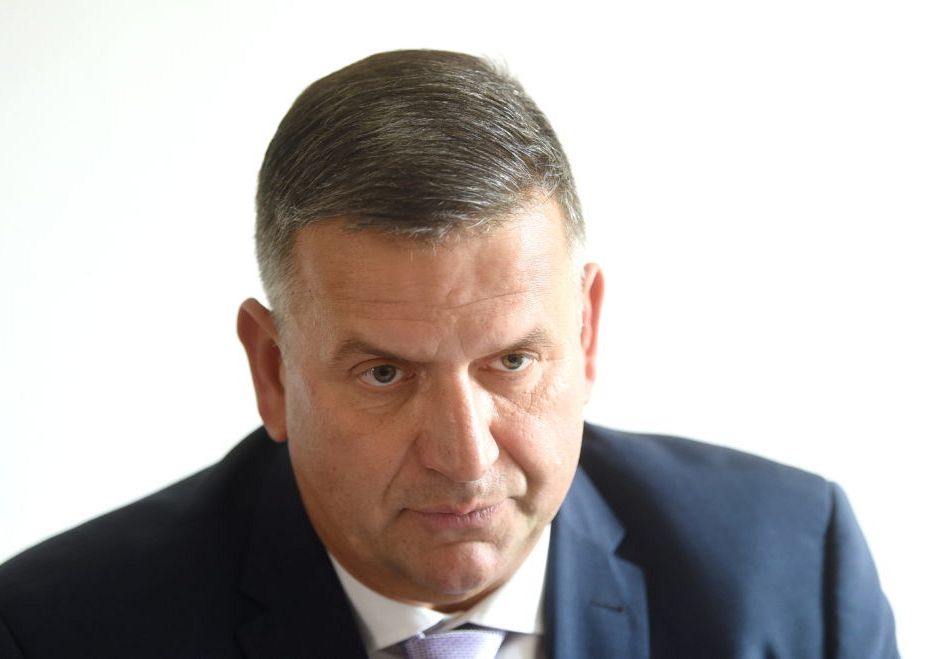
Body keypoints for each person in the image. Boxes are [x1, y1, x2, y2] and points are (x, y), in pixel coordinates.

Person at [0, 49, 897, 658]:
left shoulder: (793, 575)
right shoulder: (55, 629)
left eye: (512, 362)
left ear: (585, 332)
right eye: (385, 373)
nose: (464, 456)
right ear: (272, 369)